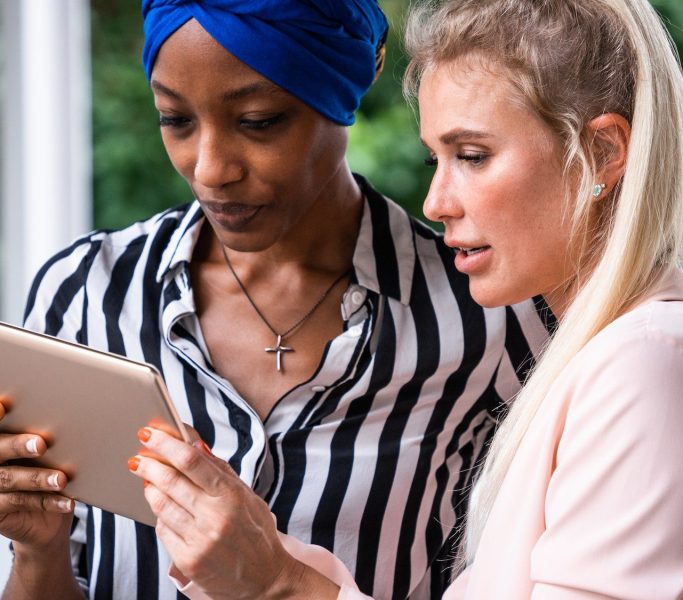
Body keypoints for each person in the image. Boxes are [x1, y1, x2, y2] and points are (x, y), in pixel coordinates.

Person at [0, 2, 549, 599]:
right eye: (175, 119)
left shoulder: (490, 316)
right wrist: (38, 548)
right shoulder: (83, 293)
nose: (210, 169)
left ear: (341, 96)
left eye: (258, 121)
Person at [181, 0, 683, 598]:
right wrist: (259, 557)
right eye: (434, 159)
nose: (436, 202)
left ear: (602, 152)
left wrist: (281, 584)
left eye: (472, 156)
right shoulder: (599, 353)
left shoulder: (642, 362)